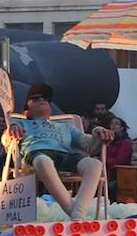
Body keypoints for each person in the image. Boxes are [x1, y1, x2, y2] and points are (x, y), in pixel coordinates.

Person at [6, 87, 112, 219]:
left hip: (65, 155)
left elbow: (89, 145)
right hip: (37, 153)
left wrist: (98, 132)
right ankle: (78, 216)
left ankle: (77, 215)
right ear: (26, 112)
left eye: (45, 99)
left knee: (95, 164)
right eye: (35, 99)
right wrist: (12, 129)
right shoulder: (21, 124)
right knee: (42, 161)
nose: (42, 100)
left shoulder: (65, 126)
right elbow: (6, 141)